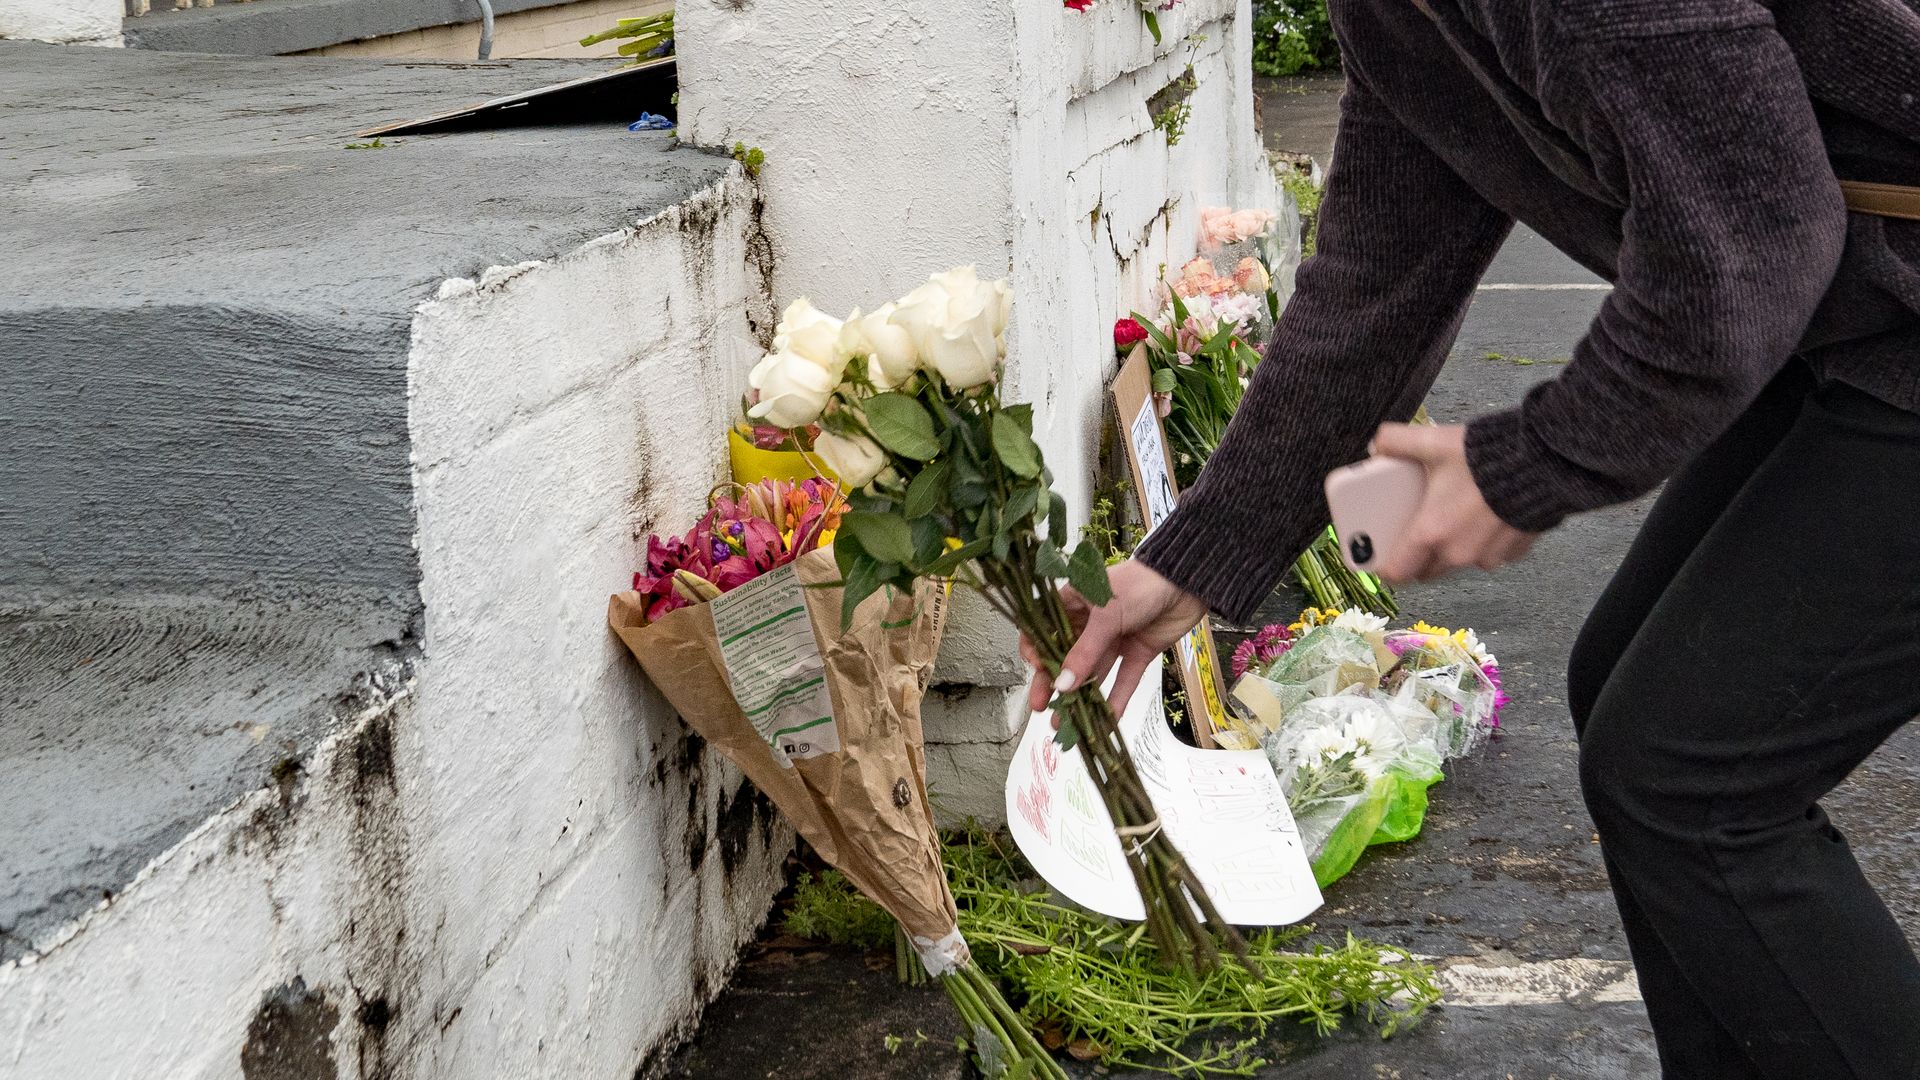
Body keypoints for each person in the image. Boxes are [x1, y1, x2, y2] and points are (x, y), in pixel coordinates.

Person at [1022, 2, 1920, 1077]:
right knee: (1632, 702)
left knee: (1694, 785)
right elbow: (1378, 284)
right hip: (1862, 324)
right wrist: (1190, 560)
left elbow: (1757, 239)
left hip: (1866, 321)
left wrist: (1521, 467)